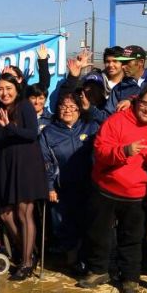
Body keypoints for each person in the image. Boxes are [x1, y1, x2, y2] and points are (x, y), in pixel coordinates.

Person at [78, 84, 147, 293]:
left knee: (133, 238)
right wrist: (124, 151)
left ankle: (130, 278)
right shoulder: (117, 120)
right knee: (98, 234)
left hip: (138, 193)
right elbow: (101, 150)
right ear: (137, 102)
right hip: (106, 187)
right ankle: (98, 270)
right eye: (145, 104)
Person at [0, 73, 48, 281]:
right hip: (7, 164)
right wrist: (2, 128)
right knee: (6, 214)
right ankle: (28, 250)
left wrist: (10, 127)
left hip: (27, 163)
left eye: (8, 88)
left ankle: (26, 263)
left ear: (16, 89)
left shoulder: (24, 106)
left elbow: (32, 133)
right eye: (0, 89)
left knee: (25, 212)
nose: (4, 93)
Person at [39, 91, 99, 264]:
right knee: (64, 226)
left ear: (80, 110)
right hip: (62, 187)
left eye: (72, 107)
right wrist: (50, 186)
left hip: (89, 186)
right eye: (63, 106)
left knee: (89, 224)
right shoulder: (49, 132)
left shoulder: (91, 126)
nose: (68, 110)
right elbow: (45, 162)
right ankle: (72, 260)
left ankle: (88, 261)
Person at [104, 45, 147, 115]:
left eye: (127, 62)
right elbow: (108, 115)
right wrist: (93, 110)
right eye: (122, 63)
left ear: (141, 62)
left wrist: (132, 101)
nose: (123, 66)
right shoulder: (118, 88)